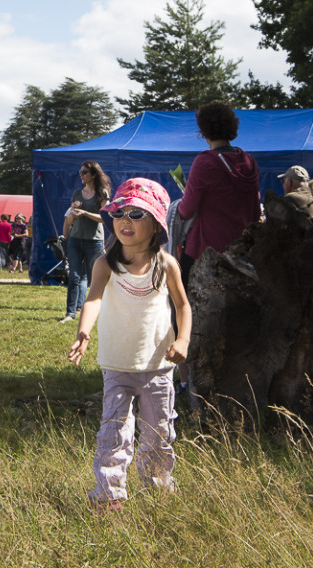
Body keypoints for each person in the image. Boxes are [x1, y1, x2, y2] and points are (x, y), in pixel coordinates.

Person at [67, 177, 191, 508]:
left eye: (137, 214)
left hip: (158, 367)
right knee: (113, 433)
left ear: (156, 224)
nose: (126, 221)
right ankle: (109, 496)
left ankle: (158, 491)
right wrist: (83, 332)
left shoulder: (166, 264)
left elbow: (183, 306)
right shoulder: (106, 264)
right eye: (120, 213)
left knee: (158, 435)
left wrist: (183, 340)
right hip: (116, 365)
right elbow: (92, 299)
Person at [175, 102, 260, 283]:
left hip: (207, 249)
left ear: (203, 131)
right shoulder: (249, 161)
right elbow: (255, 212)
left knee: (183, 302)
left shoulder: (205, 161)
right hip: (241, 249)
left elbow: (186, 210)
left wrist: (179, 203)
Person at [61, 160, 110, 323]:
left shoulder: (102, 193)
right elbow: (71, 219)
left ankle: (97, 312)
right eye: (80, 172)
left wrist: (85, 213)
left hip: (94, 241)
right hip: (75, 239)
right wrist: (73, 214)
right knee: (74, 276)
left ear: (93, 174)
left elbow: (105, 218)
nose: (81, 175)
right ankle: (70, 313)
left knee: (95, 278)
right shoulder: (76, 193)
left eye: (84, 172)